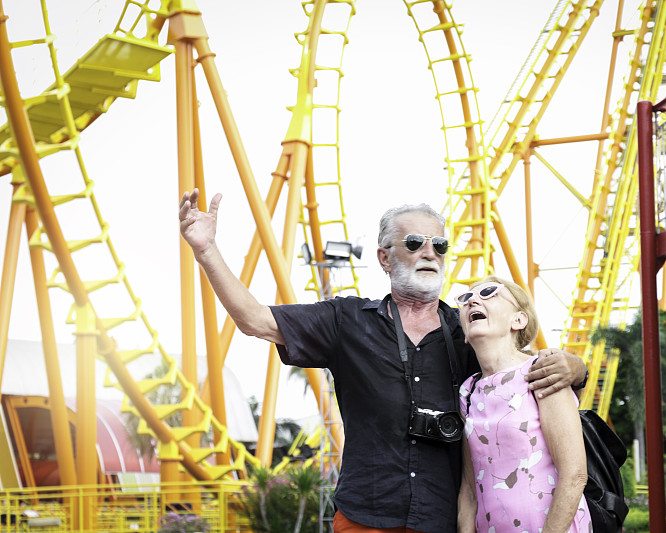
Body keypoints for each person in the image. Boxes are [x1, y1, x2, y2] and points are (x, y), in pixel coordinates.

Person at [178, 189, 588, 533]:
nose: (429, 252)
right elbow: (254, 321)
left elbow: (522, 371)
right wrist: (207, 250)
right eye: (414, 243)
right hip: (364, 515)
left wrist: (576, 368)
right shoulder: (346, 320)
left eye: (439, 246)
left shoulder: (466, 332)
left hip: (441, 518)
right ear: (385, 257)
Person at [456, 275, 591, 533]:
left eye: (489, 293)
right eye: (466, 298)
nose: (473, 299)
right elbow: (470, 488)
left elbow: (574, 476)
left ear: (518, 320)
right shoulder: (468, 391)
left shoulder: (543, 372)